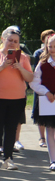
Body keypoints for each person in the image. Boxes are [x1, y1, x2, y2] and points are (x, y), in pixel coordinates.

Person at [0, 28, 33, 171]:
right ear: (3, 39)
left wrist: (20, 68)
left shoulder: (23, 58)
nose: (12, 43)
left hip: (17, 99)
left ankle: (8, 159)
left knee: (11, 130)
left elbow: (30, 78)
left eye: (16, 41)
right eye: (10, 40)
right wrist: (3, 66)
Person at [30, 33, 55, 170]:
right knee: (50, 130)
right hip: (48, 101)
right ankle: (53, 160)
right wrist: (46, 92)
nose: (52, 49)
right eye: (50, 46)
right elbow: (34, 83)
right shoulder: (43, 63)